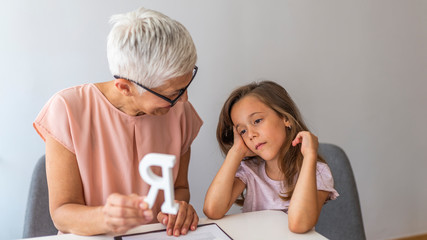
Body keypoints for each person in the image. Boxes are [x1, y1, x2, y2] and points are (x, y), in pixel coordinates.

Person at [33, 7, 202, 237]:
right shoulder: (67, 110)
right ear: (125, 87)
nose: (184, 99)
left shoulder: (180, 112)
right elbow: (62, 213)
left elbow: (180, 188)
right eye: (172, 93)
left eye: (185, 85)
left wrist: (179, 209)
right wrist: (106, 218)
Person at [203, 81, 338, 233]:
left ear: (285, 118)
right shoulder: (250, 171)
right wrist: (236, 151)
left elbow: (299, 225)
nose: (251, 134)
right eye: (243, 131)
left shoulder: (317, 173)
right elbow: (212, 210)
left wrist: (310, 156)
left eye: (257, 121)